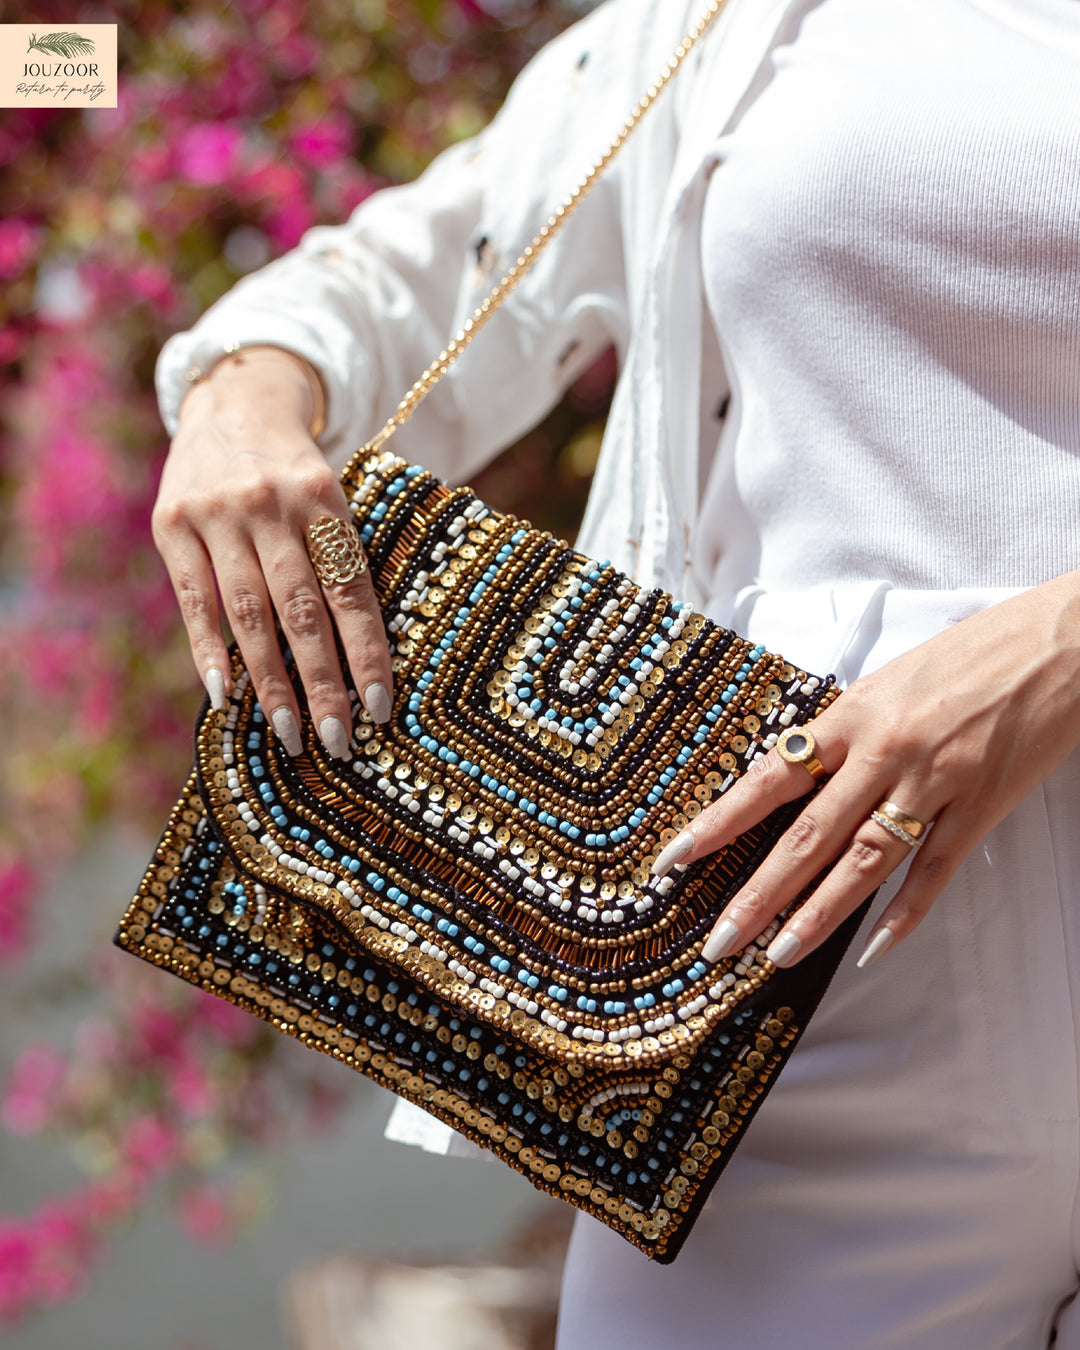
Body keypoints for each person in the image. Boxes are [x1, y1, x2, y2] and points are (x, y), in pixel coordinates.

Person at [151, 0, 1080, 1343]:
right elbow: (426, 259)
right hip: (775, 964)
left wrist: (1052, 641)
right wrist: (246, 392)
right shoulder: (741, 17)